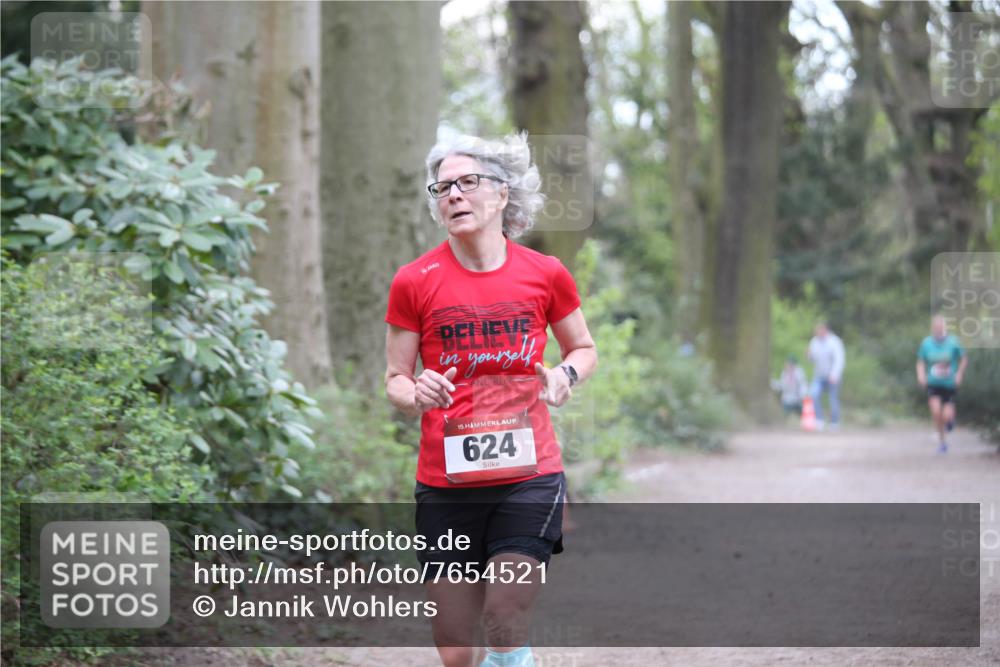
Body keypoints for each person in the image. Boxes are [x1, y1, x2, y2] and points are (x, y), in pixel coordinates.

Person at [383, 132, 597, 667]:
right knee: (456, 648)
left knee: (504, 617)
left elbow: (583, 348)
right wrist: (417, 393)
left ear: (502, 193)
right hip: (446, 485)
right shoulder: (414, 282)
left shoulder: (545, 273)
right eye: (443, 188)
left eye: (468, 182)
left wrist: (565, 374)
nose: (453, 194)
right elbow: (395, 380)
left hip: (529, 476)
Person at [916, 314, 968, 454]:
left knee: (945, 416)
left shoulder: (954, 342)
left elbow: (963, 358)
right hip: (933, 383)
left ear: (945, 327)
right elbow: (921, 361)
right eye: (936, 326)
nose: (938, 329)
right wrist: (921, 375)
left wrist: (959, 374)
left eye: (941, 326)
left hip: (949, 383)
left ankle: (950, 421)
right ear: (933, 328)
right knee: (936, 413)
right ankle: (942, 442)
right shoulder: (927, 343)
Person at [806, 322, 845, 430]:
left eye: (820, 330)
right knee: (813, 394)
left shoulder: (834, 342)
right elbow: (813, 359)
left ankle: (834, 422)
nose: (818, 332)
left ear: (826, 330)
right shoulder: (814, 342)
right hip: (819, 375)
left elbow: (839, 359)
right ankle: (819, 420)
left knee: (833, 399)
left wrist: (835, 374)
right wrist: (809, 356)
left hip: (833, 375)